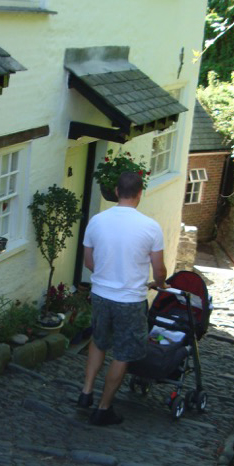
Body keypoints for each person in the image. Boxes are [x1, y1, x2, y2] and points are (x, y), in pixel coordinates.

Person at [77, 170, 167, 426]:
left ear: (116, 191)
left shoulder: (96, 221)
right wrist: (159, 284)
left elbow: (89, 261)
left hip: (101, 295)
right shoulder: (150, 227)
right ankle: (103, 409)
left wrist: (108, 275)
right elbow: (159, 270)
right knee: (123, 353)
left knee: (99, 341)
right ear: (140, 194)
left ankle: (86, 392)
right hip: (130, 300)